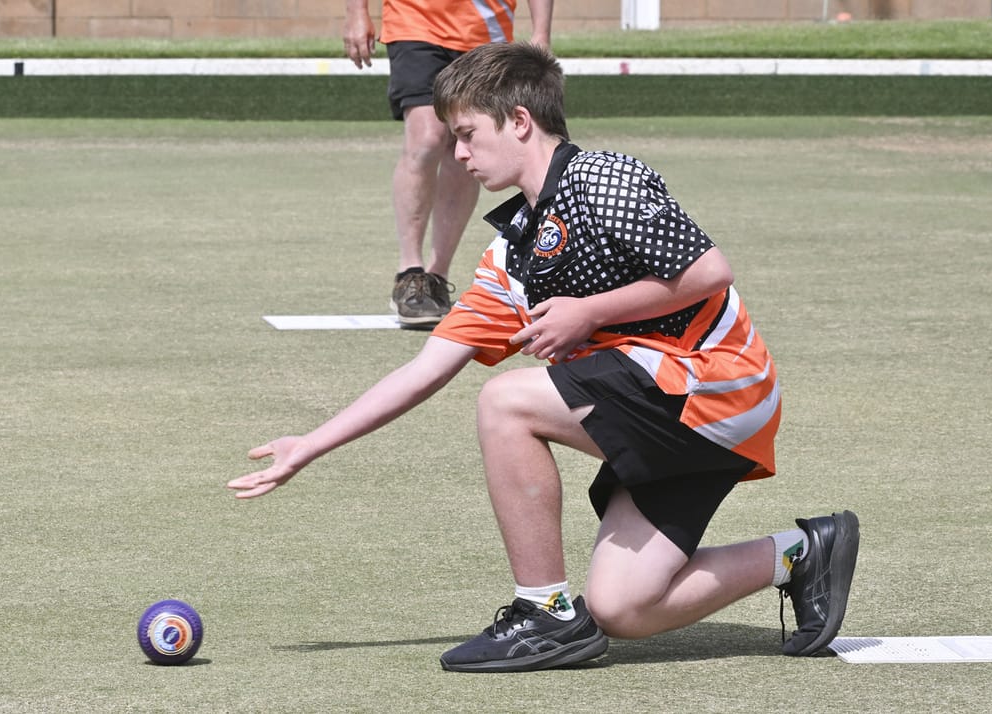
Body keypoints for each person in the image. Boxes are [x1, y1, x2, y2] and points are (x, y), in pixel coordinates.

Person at [230, 42, 860, 673]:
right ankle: (802, 554)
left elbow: (709, 271)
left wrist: (589, 312)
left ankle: (545, 612)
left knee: (506, 401)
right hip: (670, 413)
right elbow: (426, 368)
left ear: (520, 121)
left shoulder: (601, 178)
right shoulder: (513, 254)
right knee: (624, 608)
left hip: (717, 387)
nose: (459, 154)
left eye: (468, 134)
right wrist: (311, 444)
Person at [343, 0, 554, 329]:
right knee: (427, 138)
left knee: (466, 142)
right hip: (412, 18)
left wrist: (541, 31)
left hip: (485, 26)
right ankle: (409, 272)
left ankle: (436, 277)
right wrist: (356, 12)